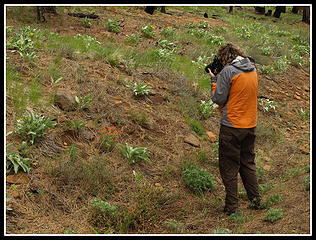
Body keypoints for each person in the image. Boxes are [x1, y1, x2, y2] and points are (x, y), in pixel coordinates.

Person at [207, 43, 264, 216]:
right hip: (250, 125)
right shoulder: (252, 68)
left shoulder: (228, 72)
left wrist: (214, 80)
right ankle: (256, 201)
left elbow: (218, 99)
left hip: (232, 126)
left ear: (224, 58)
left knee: (229, 167)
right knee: (248, 163)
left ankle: (232, 208)